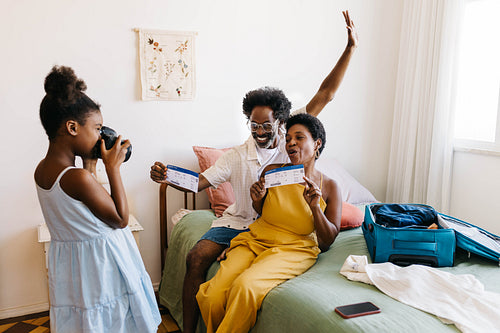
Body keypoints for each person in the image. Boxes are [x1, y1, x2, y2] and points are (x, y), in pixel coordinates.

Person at [150, 10, 357, 333]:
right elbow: (198, 182)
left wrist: (349, 49)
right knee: (196, 257)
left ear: (282, 122)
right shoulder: (236, 157)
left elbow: (326, 94)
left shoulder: (293, 140)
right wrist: (168, 176)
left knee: (244, 284)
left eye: (267, 125)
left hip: (282, 234)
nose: (260, 131)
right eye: (253, 124)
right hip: (240, 222)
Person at [34, 66, 161, 333]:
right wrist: (113, 169)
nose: (100, 135)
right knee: (115, 322)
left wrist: (90, 164)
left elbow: (85, 208)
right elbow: (119, 219)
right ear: (72, 127)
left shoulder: (44, 170)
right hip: (102, 267)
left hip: (76, 270)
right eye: (97, 128)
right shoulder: (76, 177)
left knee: (90, 324)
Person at [196, 113, 341, 333]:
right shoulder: (272, 172)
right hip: (255, 240)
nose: (291, 142)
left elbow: (328, 241)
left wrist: (314, 207)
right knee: (211, 295)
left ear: (317, 144)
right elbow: (262, 211)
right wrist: (257, 199)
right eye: (289, 138)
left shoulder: (329, 187)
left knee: (245, 287)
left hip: (293, 250)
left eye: (299, 137)